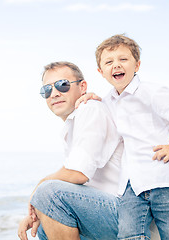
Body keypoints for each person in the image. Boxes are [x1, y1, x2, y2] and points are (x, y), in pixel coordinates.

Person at [78, 34, 169, 239]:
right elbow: (103, 113)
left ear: (137, 65)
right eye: (109, 62)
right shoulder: (109, 101)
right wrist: (91, 97)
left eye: (123, 59)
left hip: (164, 178)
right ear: (101, 71)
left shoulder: (149, 91)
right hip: (131, 184)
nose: (116, 65)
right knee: (128, 234)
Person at [17, 61, 123, 240]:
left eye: (62, 85)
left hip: (127, 213)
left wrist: (38, 190)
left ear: (82, 87)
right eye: (47, 90)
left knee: (48, 192)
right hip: (105, 212)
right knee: (45, 225)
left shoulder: (90, 109)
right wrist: (39, 212)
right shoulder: (73, 124)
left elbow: (77, 173)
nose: (55, 93)